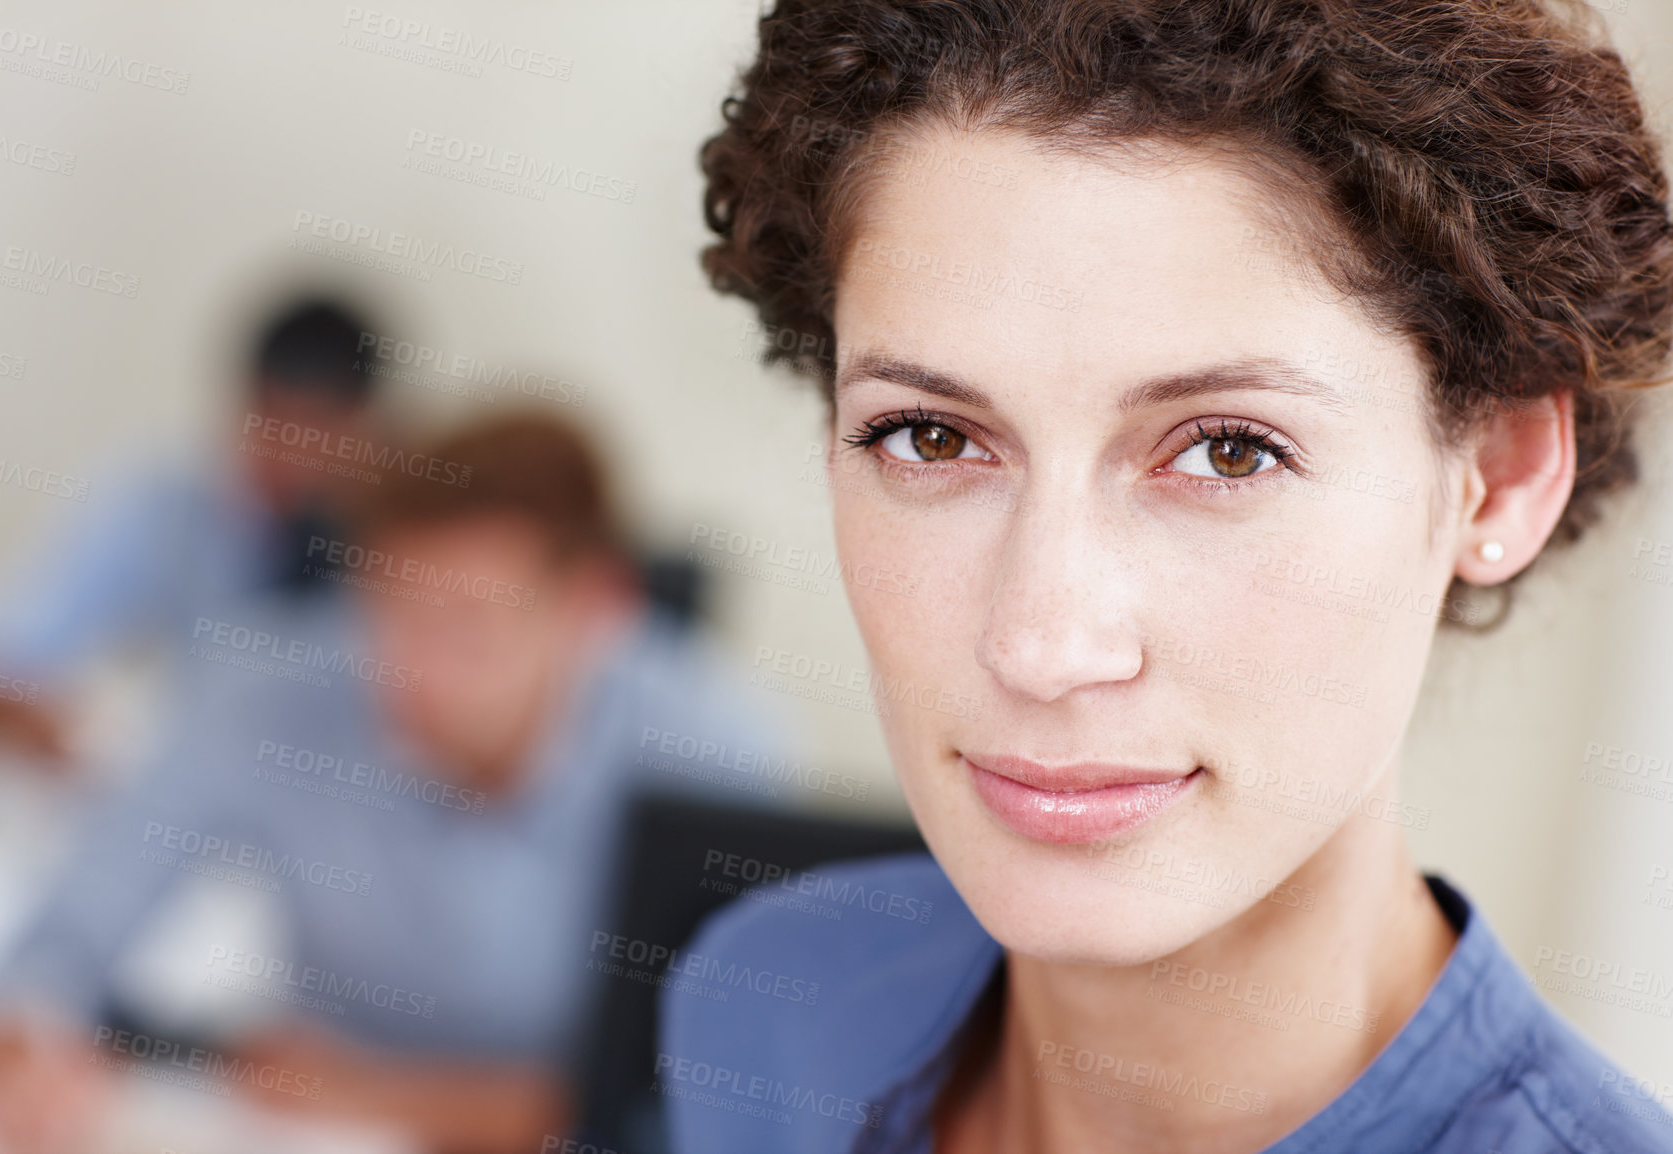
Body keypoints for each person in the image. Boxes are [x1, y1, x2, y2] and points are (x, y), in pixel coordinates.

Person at [661, 2, 1673, 1152]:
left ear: (1492, 478)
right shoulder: (766, 1006)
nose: (1040, 644)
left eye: (1227, 449)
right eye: (930, 437)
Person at [0, 412, 790, 1154]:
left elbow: (725, 1087)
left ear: (595, 607)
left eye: (469, 627)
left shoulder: (709, 745)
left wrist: (384, 1092)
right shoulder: (265, 692)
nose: (413, 671)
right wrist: (20, 1044)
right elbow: (61, 942)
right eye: (391, 613)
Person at [0, 296, 383, 767]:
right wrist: (87, 744)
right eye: (280, 425)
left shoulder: (395, 545)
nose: (298, 463)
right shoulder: (162, 504)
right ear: (245, 407)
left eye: (324, 436)